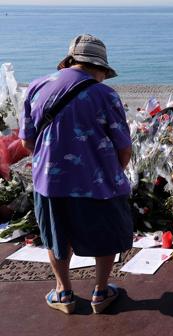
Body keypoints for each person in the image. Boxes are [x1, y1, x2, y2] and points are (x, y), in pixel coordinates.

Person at [19, 34, 133, 314]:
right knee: (104, 234)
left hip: (49, 181)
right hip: (97, 181)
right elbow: (123, 146)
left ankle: (63, 293)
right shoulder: (104, 94)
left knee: (56, 235)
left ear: (70, 61)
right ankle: (101, 292)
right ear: (100, 68)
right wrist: (115, 170)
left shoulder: (36, 87)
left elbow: (26, 142)